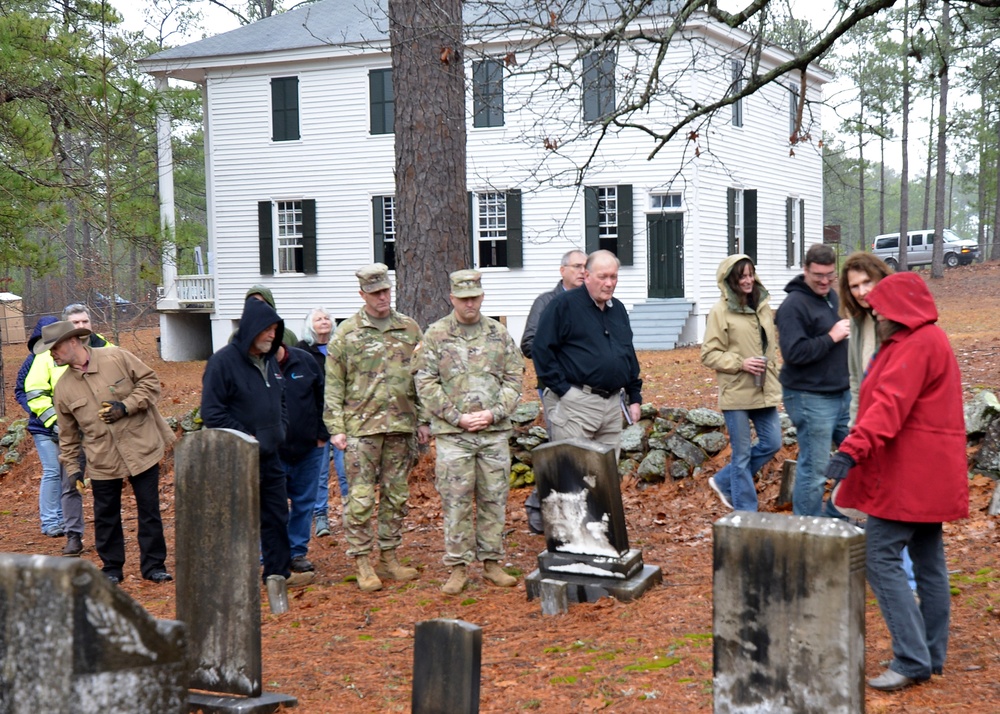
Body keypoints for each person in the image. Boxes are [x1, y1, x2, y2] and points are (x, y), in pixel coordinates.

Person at [824, 272, 969, 691]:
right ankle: (929, 653)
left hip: (911, 475)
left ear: (899, 309)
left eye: (881, 308)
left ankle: (911, 658)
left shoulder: (917, 344)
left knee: (879, 556)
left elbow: (888, 406)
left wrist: (851, 450)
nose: (876, 313)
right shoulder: (920, 340)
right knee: (928, 561)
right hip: (926, 473)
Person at [413, 269, 524, 595]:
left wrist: (494, 412)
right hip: (453, 436)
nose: (470, 303)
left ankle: (491, 563)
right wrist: (456, 417)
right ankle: (458, 567)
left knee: (494, 498)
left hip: (493, 433)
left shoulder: (498, 334)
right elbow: (425, 382)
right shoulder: (436, 335)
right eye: (463, 299)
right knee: (456, 501)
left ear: (482, 297)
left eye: (474, 297)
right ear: (452, 299)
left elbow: (515, 378)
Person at [37, 321, 173, 585]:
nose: (52, 354)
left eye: (55, 348)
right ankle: (111, 568)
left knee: (149, 511)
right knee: (105, 515)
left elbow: (150, 382)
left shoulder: (116, 357)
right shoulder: (63, 388)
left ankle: (154, 566)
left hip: (141, 446)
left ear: (73, 341)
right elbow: (67, 435)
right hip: (102, 458)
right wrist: (74, 468)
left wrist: (126, 405)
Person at [324, 264, 428, 592]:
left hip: (401, 426)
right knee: (361, 497)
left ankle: (389, 555)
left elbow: (422, 378)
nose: (383, 298)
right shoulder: (347, 333)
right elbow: (334, 384)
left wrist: (423, 420)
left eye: (385, 291)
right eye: (375, 293)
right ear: (362, 295)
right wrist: (336, 427)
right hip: (361, 429)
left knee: (396, 495)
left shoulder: (409, 329)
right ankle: (362, 560)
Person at [201, 297, 313, 588]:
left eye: (276, 330)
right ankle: (231, 580)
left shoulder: (271, 363)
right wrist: (246, 438)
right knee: (237, 522)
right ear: (252, 328)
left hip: (271, 456)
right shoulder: (222, 363)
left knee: (276, 516)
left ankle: (277, 575)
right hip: (236, 460)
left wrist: (281, 427)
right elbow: (211, 412)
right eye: (267, 330)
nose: (272, 336)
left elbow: (281, 399)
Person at [840, 252, 917, 591]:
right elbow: (857, 382)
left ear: (880, 276)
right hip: (870, 429)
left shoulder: (901, 318)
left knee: (904, 508)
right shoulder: (858, 324)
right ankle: (888, 576)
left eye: (866, 281)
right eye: (854, 286)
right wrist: (857, 430)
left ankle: (908, 582)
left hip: (901, 428)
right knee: (876, 505)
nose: (860, 291)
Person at [531, 249, 642, 455]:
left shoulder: (617, 309)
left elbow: (627, 353)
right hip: (576, 404)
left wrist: (634, 396)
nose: (609, 283)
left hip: (611, 406)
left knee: (605, 479)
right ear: (587, 276)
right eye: (603, 277)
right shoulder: (563, 305)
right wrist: (564, 391)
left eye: (613, 277)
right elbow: (541, 350)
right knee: (574, 477)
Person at [700, 255, 781, 512]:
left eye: (750, 274)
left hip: (763, 387)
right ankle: (746, 513)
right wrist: (741, 362)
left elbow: (770, 346)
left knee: (773, 442)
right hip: (736, 391)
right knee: (742, 454)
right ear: (731, 280)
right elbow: (709, 353)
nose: (748, 280)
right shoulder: (719, 311)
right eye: (742, 276)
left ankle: (724, 480)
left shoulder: (763, 305)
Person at [775, 243, 850, 518]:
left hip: (842, 395)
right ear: (805, 270)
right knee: (815, 470)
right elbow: (794, 353)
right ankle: (807, 537)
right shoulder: (793, 306)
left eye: (830, 275)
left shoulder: (831, 296)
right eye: (818, 274)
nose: (824, 280)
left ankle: (834, 517)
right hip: (809, 396)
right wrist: (832, 337)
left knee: (861, 457)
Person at [519, 249, 587, 533]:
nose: (582, 271)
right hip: (555, 389)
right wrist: (562, 355)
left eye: (586, 266)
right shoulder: (545, 302)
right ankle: (538, 509)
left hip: (588, 391)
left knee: (582, 453)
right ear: (562, 271)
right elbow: (528, 343)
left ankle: (579, 513)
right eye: (576, 266)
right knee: (561, 449)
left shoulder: (592, 302)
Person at [275, 338, 328, 575]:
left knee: (304, 503)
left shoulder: (305, 361)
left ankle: (297, 552)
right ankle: (270, 554)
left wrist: (321, 435)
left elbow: (323, 398)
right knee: (272, 505)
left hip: (308, 449)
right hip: (272, 451)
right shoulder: (255, 366)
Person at [16, 317, 71, 541]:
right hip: (42, 427)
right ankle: (50, 520)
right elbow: (22, 390)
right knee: (52, 472)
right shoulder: (32, 362)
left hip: (68, 426)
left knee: (67, 475)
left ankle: (64, 519)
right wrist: (38, 411)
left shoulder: (68, 358)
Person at [296, 307, 348, 539]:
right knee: (319, 473)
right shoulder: (301, 351)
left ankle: (351, 513)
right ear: (310, 325)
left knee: (346, 469)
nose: (324, 321)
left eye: (327, 317)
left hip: (342, 418)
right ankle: (321, 516)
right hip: (316, 420)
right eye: (318, 319)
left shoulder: (340, 348)